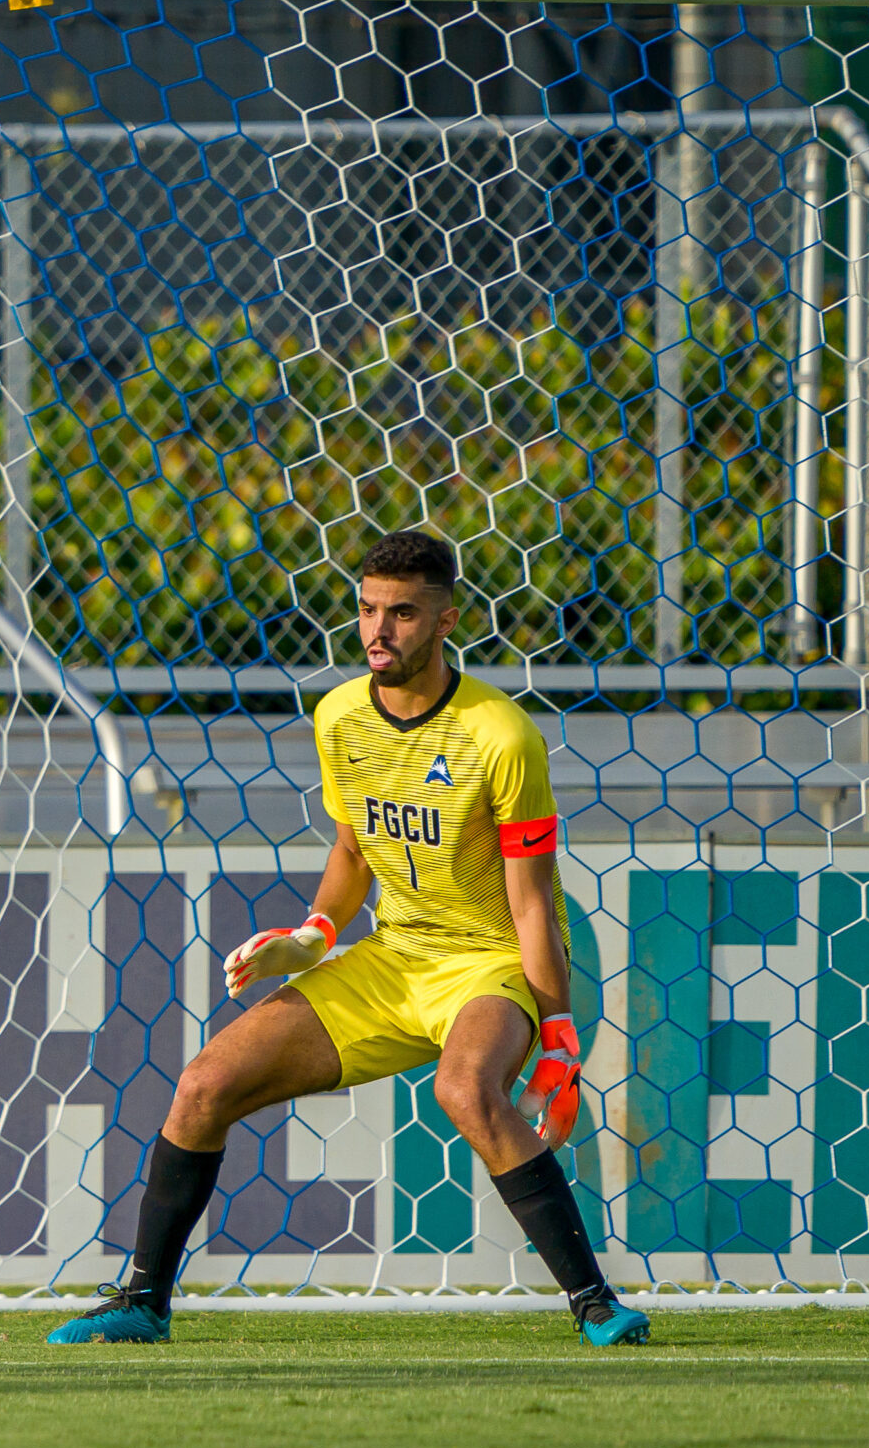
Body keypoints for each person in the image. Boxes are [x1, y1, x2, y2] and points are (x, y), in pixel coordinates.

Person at [49, 530, 649, 1349]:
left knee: (467, 1090)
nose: (378, 630)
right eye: (368, 609)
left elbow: (535, 906)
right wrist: (310, 937)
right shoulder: (338, 716)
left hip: (488, 962)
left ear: (446, 621)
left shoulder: (501, 736)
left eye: (402, 613)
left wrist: (558, 1041)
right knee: (202, 1085)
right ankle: (143, 1300)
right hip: (391, 960)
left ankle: (596, 1303)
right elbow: (350, 850)